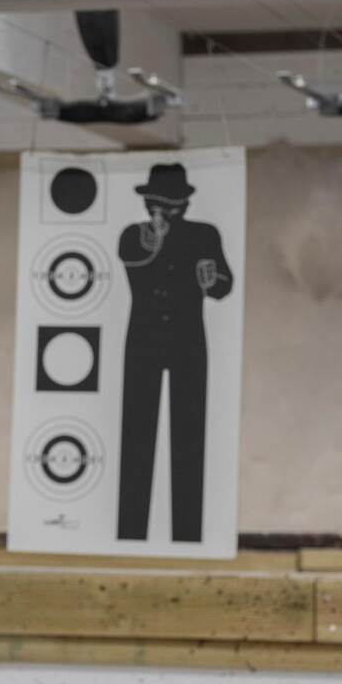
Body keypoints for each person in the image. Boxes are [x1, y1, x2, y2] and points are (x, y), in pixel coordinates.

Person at [117, 163, 232, 543]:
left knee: (189, 438)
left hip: (188, 341)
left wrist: (212, 281)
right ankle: (129, 533)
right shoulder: (134, 235)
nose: (162, 211)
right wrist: (154, 239)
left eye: (169, 204)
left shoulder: (204, 235)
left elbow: (223, 285)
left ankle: (188, 535)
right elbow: (132, 256)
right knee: (136, 437)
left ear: (182, 204)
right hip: (143, 342)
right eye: (156, 203)